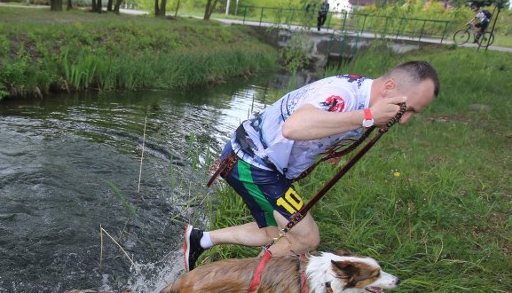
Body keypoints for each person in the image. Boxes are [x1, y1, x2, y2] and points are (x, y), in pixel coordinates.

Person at [183, 60, 440, 271]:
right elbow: (294, 126)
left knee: (273, 232)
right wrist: (368, 117)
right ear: (390, 86)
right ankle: (241, 289)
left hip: (259, 162)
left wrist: (333, 148)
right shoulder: (345, 95)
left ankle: (200, 239)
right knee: (306, 238)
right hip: (252, 162)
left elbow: (327, 124)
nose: (404, 119)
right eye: (407, 109)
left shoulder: (364, 94)